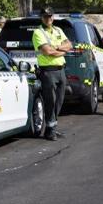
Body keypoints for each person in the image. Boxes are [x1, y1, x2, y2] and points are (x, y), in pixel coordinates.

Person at [32, 7, 72, 141]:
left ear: (53, 17)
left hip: (60, 70)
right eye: (45, 16)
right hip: (48, 71)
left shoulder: (58, 30)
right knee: (51, 101)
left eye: (50, 16)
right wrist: (62, 50)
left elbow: (69, 45)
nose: (48, 19)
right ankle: (49, 131)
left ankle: (52, 127)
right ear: (41, 18)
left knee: (59, 101)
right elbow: (47, 51)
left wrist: (59, 48)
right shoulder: (38, 32)